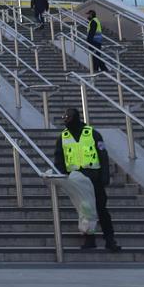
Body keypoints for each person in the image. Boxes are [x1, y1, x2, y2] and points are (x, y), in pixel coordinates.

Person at [58, 108, 121, 253]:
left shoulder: (92, 133)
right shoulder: (63, 137)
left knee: (101, 208)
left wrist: (105, 175)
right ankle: (89, 238)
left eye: (69, 118)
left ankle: (109, 239)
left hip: (95, 177)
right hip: (77, 179)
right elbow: (59, 159)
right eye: (65, 118)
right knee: (85, 209)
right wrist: (64, 177)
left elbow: (103, 155)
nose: (66, 121)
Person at [85, 10, 108, 74]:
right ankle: (104, 68)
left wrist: (88, 41)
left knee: (94, 55)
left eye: (88, 15)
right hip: (97, 41)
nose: (87, 16)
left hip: (94, 41)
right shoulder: (96, 21)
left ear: (91, 15)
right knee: (97, 55)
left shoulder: (93, 22)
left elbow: (91, 32)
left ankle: (95, 69)